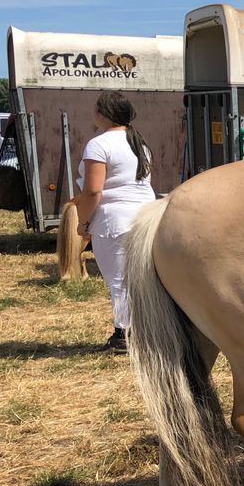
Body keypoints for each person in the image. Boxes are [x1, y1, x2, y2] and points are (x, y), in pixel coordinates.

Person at [73, 91, 157, 354]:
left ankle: (124, 335)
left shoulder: (99, 144)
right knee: (144, 279)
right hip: (146, 214)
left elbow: (92, 191)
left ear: (103, 114)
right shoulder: (139, 143)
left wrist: (83, 223)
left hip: (114, 219)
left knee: (119, 279)